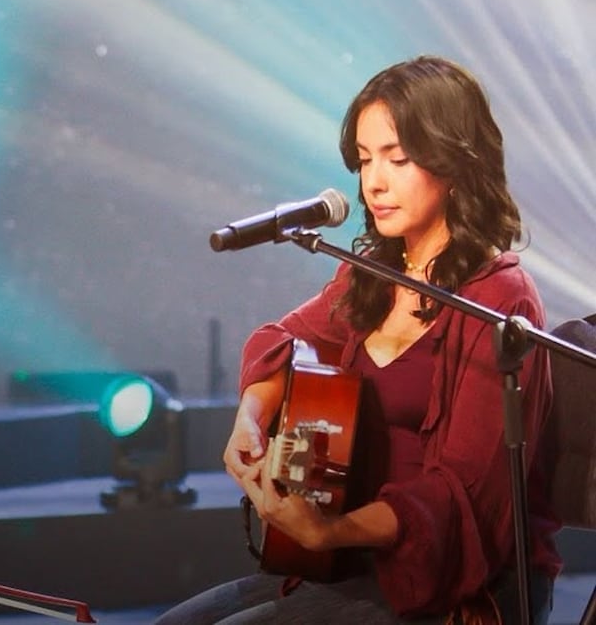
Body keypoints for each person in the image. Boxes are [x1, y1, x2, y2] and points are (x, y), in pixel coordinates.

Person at [157, 56, 560, 624]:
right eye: (367, 160)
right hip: (345, 563)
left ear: (454, 162)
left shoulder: (499, 298)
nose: (374, 182)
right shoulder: (372, 272)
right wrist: (252, 413)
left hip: (442, 580)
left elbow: (463, 494)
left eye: (398, 159)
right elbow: (284, 339)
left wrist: (334, 530)